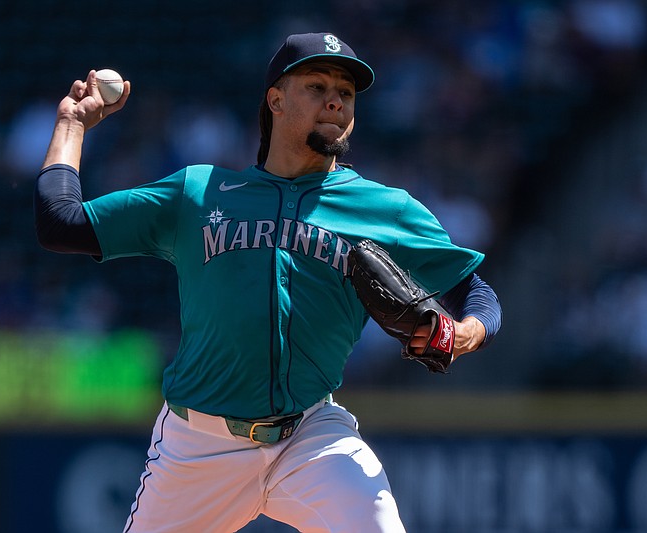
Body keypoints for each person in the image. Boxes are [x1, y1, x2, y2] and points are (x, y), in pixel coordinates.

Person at [35, 32, 502, 533]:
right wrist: (71, 125)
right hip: (199, 445)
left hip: (312, 438)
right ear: (275, 100)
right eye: (317, 85)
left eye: (345, 93)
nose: (335, 101)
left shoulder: (383, 209)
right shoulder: (198, 192)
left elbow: (477, 295)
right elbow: (60, 223)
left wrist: (463, 333)